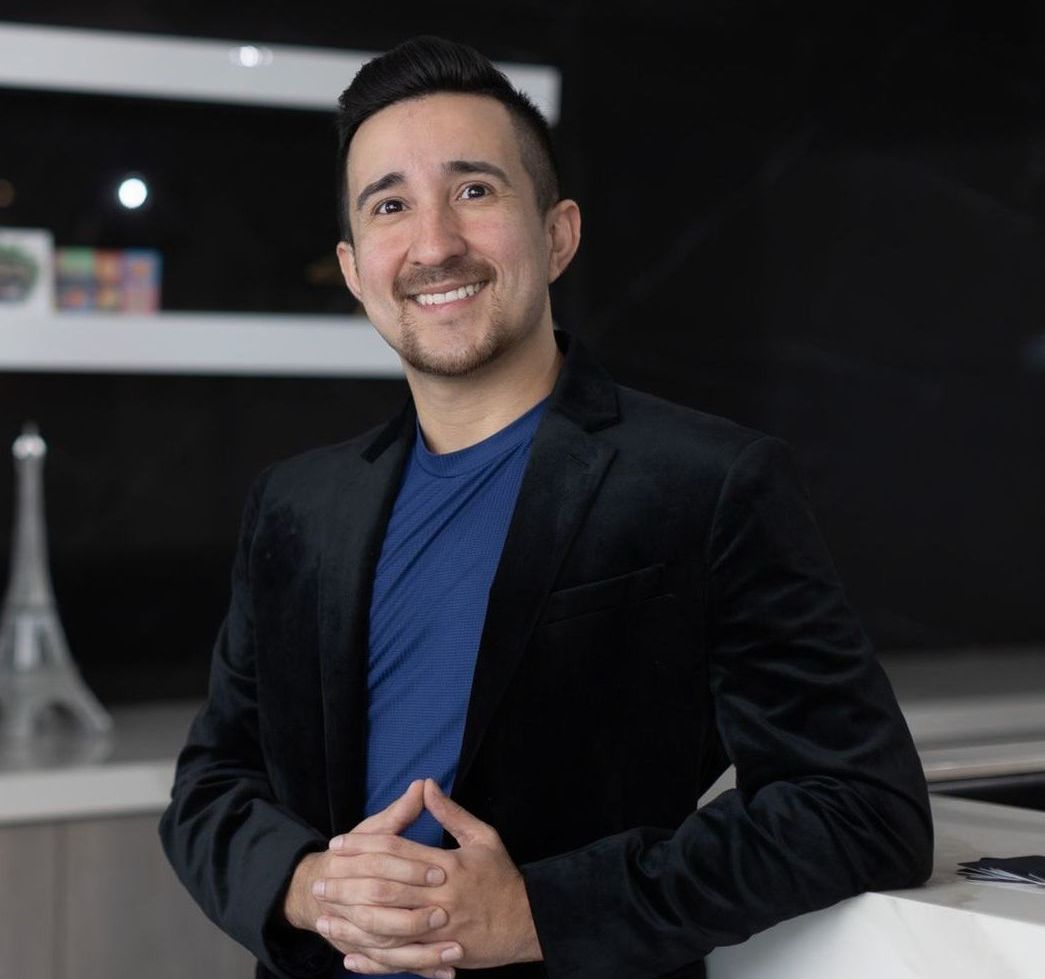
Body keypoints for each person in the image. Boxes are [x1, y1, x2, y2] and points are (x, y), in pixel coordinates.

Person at [160, 35, 933, 979]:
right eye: (390, 206)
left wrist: (538, 910)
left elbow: (859, 805)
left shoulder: (707, 481)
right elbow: (211, 786)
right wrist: (310, 884)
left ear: (557, 233)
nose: (434, 242)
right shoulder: (297, 504)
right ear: (356, 267)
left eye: (475, 191)